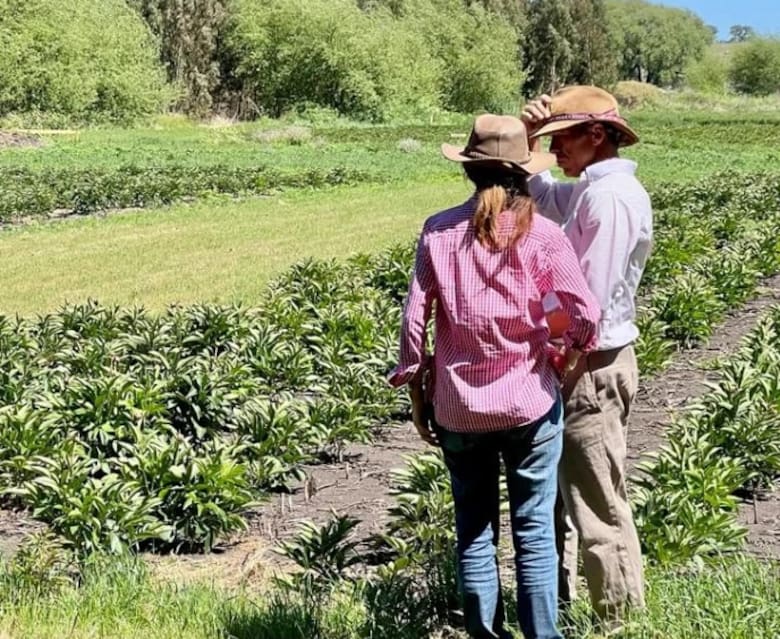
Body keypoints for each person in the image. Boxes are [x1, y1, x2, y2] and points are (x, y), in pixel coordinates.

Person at [388, 113, 600, 639]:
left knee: (474, 533)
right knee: (533, 534)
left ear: (469, 172)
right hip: (529, 402)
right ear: (524, 172)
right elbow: (584, 314)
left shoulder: (439, 231)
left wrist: (419, 394)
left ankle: (484, 633)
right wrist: (566, 359)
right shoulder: (543, 236)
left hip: (458, 405)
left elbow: (415, 320)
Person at [520, 86, 653, 624]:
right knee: (573, 495)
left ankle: (618, 621)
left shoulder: (610, 197)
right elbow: (544, 195)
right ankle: (572, 610)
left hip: (590, 364)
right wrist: (526, 140)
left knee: (597, 501)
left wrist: (561, 362)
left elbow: (587, 308)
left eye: (562, 138)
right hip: (584, 361)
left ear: (597, 135)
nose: (554, 151)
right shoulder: (593, 189)